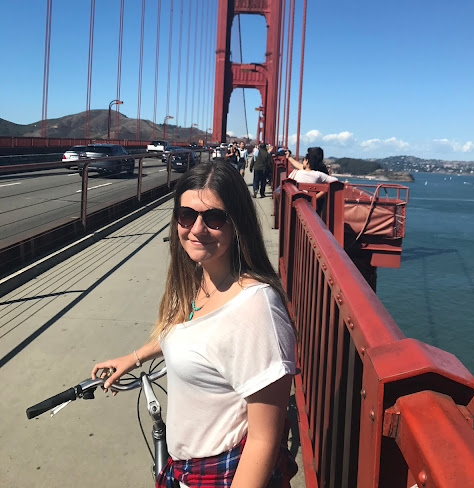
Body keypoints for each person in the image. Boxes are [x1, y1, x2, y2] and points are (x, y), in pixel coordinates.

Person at [91, 161, 297, 488]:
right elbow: (191, 332)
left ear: (237, 224)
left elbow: (264, 442)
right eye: (187, 216)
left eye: (214, 218)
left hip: (223, 474)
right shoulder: (201, 280)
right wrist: (134, 357)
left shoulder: (256, 309)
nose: (197, 229)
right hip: (183, 470)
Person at [285, 147, 338, 212]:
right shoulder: (319, 171)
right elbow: (335, 181)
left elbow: (302, 167)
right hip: (314, 204)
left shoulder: (318, 172)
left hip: (305, 203)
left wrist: (315, 197)